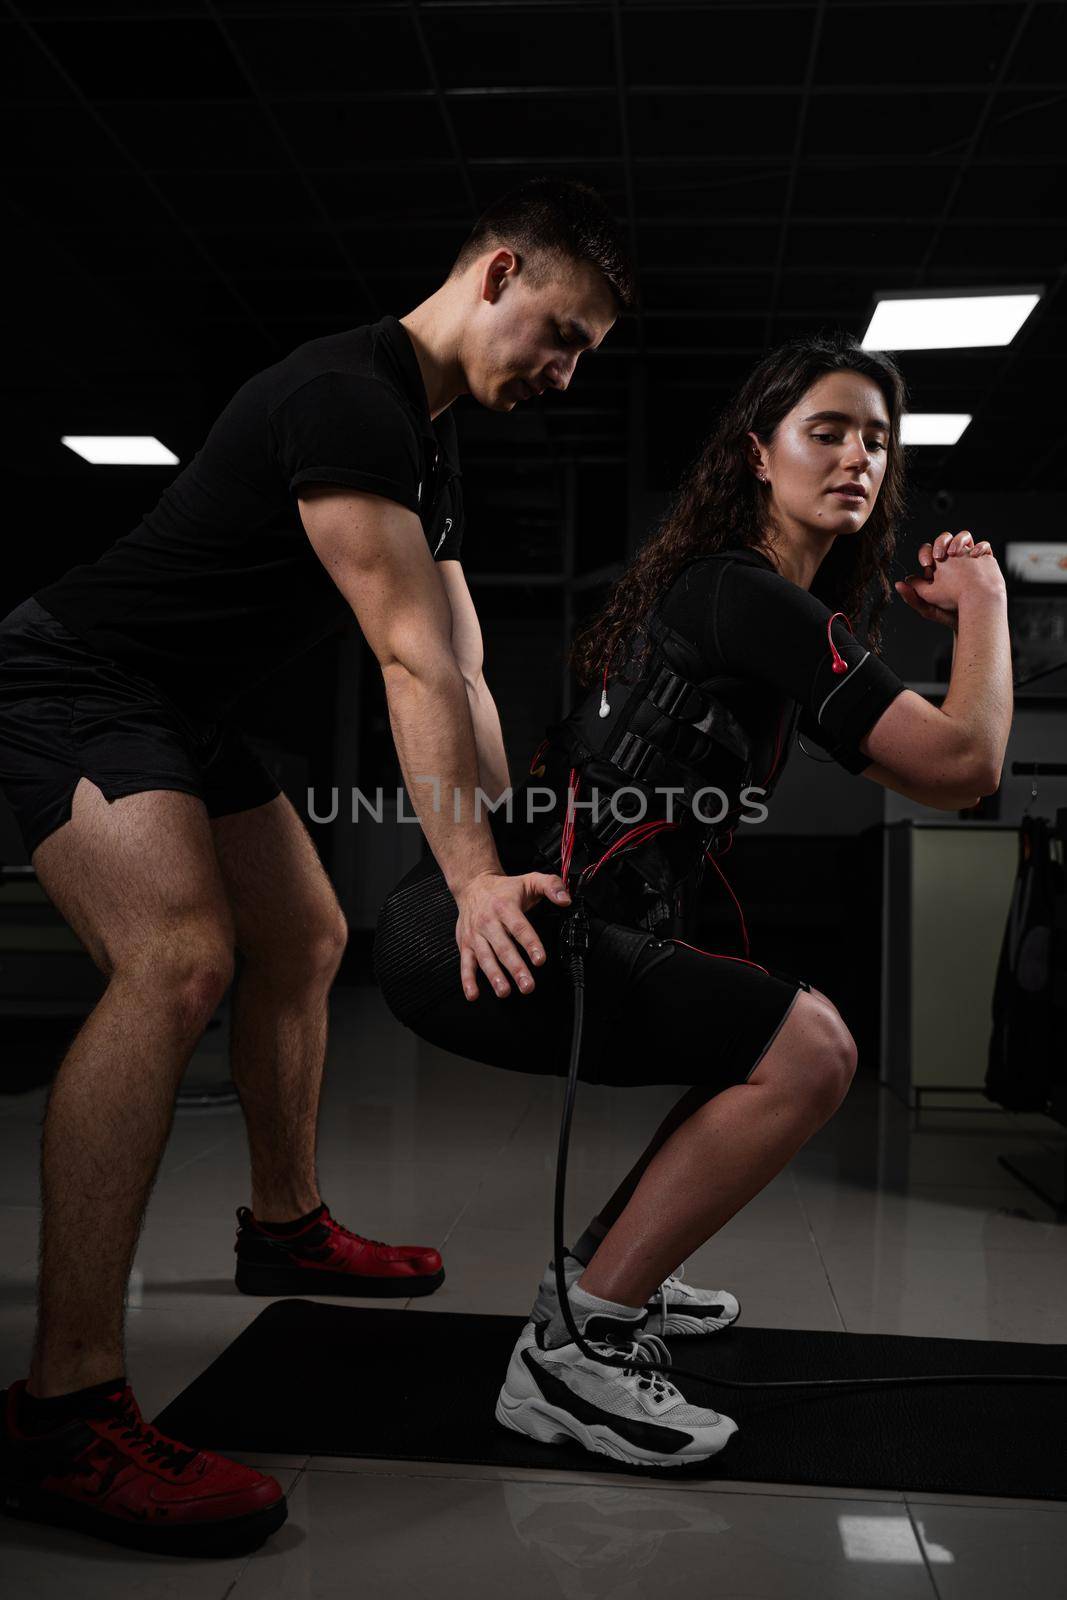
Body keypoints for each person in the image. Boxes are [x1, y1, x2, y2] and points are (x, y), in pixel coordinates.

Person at [0, 179, 633, 1555]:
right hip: (78, 676)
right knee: (175, 962)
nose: (565, 372)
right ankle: (60, 1409)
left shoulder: (424, 435)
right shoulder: (344, 401)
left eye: (584, 354)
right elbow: (402, 658)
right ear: (496, 271)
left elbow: (459, 660)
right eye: (560, 333)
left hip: (188, 708)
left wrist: (513, 841)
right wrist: (464, 880)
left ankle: (282, 1228)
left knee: (308, 939)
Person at [374, 332, 1013, 1468]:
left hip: (524, 926)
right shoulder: (744, 595)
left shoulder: (754, 606)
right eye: (824, 430)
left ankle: (600, 1276)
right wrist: (983, 603)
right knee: (811, 1047)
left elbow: (935, 764)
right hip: (492, 932)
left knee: (760, 1032)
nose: (856, 456)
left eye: (876, 438)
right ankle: (570, 1359)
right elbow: (962, 762)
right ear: (757, 454)